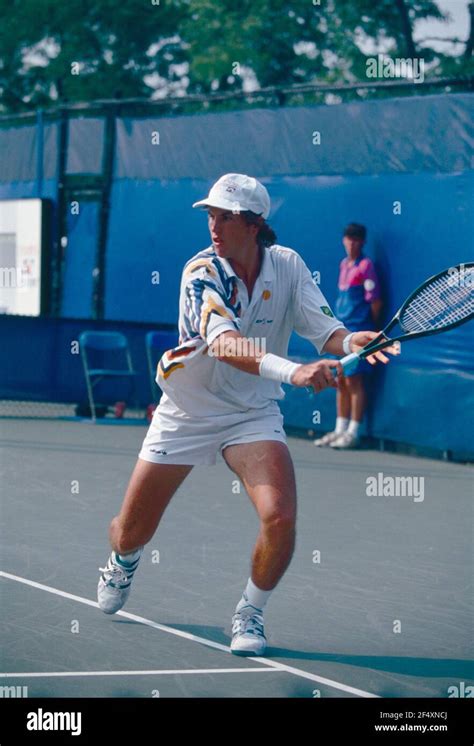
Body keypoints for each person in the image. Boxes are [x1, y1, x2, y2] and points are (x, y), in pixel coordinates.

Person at [97, 174, 395, 657]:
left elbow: (327, 333)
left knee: (280, 517)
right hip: (188, 409)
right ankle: (123, 559)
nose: (213, 225)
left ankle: (250, 610)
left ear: (254, 225)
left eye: (226, 217)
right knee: (130, 529)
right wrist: (294, 372)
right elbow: (224, 344)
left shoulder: (289, 266)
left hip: (252, 411)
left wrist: (352, 340)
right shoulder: (202, 271)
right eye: (210, 215)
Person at [314, 223, 382, 449]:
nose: (351, 244)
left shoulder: (366, 266)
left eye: (356, 240)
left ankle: (353, 432)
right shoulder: (344, 264)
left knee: (354, 381)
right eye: (348, 239)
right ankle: (339, 429)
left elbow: (375, 302)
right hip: (341, 330)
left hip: (359, 330)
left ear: (362, 242)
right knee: (340, 379)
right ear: (344, 241)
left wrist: (368, 325)